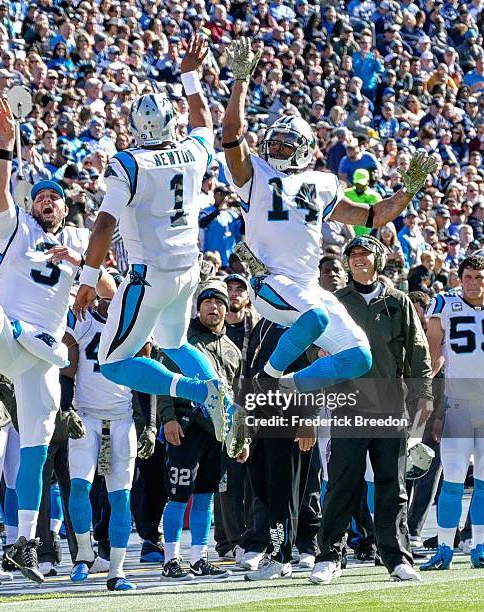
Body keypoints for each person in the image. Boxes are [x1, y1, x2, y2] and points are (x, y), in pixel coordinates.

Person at [222, 37, 437, 399]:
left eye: (284, 146)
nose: (274, 150)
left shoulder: (321, 183)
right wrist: (241, 79)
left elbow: (374, 216)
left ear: (303, 151)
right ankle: (265, 378)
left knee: (359, 357)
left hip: (306, 287)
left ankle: (282, 388)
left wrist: (409, 190)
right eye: (272, 144)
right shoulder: (253, 173)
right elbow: (231, 134)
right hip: (269, 280)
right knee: (316, 319)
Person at [0, 98, 114, 584]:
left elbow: (109, 291)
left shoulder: (75, 240)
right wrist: (6, 144)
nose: (47, 203)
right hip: (7, 339)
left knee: (34, 448)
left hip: (44, 358)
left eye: (55, 198)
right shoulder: (17, 231)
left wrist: (78, 266)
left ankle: (22, 544)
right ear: (32, 204)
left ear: (66, 206)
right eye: (41, 197)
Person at [73, 35, 232, 444]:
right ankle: (225, 403)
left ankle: (203, 391)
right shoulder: (192, 152)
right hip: (188, 268)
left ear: (133, 126)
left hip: (150, 273)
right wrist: (190, 76)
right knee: (174, 342)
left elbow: (105, 223)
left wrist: (89, 278)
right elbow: (204, 125)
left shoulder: (128, 162)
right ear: (170, 123)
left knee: (112, 363)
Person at [309, 235, 433, 585]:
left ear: (378, 260)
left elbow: (418, 352)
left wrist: (424, 394)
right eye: (354, 255)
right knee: (341, 481)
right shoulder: (334, 302)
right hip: (348, 403)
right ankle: (329, 555)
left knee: (392, 485)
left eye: (365, 255)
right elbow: (311, 345)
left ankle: (397, 557)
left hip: (391, 405)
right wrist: (319, 359)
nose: (359, 260)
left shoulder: (399, 302)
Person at [156, 279, 244, 580]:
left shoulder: (233, 350)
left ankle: (199, 557)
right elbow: (162, 381)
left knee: (207, 495)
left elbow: (236, 396)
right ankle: (171, 559)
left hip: (218, 433)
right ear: (198, 306)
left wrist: (239, 435)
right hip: (186, 425)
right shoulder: (181, 342)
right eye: (207, 300)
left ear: (228, 306)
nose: (213, 306)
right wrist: (167, 418)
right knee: (179, 495)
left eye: (218, 301)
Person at [63, 291, 151, 591]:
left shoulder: (136, 326)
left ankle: (117, 570)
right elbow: (68, 369)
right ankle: (85, 552)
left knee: (120, 497)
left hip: (121, 418)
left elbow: (145, 381)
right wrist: (65, 410)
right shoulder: (84, 321)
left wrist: (149, 425)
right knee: (79, 485)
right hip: (86, 415)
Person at [421, 255, 484, 570]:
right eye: (469, 277)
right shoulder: (444, 303)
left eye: (479, 277)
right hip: (457, 403)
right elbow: (434, 354)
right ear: (460, 278)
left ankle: (480, 546)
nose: (474, 283)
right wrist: (426, 396)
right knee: (454, 478)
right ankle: (444, 548)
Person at [343, 168, 381, 237]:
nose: (359, 186)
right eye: (357, 183)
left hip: (367, 235)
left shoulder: (375, 197)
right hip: (347, 235)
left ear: (368, 182)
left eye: (362, 184)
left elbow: (380, 216)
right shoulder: (345, 193)